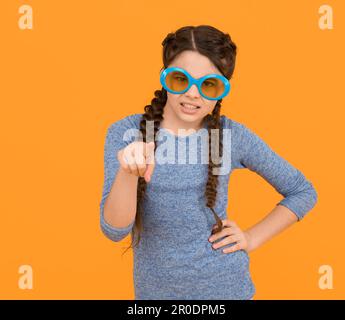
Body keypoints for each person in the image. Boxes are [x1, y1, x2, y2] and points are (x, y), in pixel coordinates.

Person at [99, 25, 318, 300]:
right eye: (181, 80)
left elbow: (303, 190)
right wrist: (128, 172)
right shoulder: (126, 133)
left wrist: (251, 238)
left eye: (209, 85)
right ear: (164, 78)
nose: (193, 94)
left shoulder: (230, 136)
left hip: (227, 292)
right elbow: (114, 230)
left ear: (222, 90)